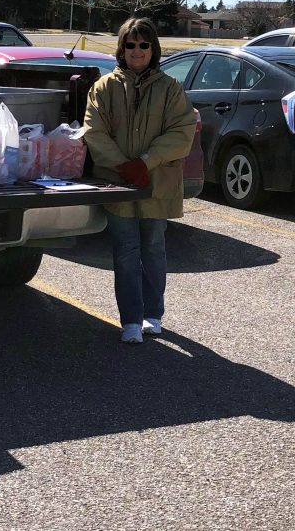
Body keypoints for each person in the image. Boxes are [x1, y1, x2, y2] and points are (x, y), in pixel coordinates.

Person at [82, 17, 197, 344]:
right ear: (121, 48)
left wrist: (146, 162)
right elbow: (94, 131)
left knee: (154, 249)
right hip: (118, 186)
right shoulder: (104, 87)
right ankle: (130, 320)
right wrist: (123, 165)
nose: (137, 50)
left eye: (143, 44)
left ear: (153, 49)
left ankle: (153, 314)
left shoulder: (171, 88)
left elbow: (182, 132)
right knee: (126, 251)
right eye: (130, 44)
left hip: (156, 185)